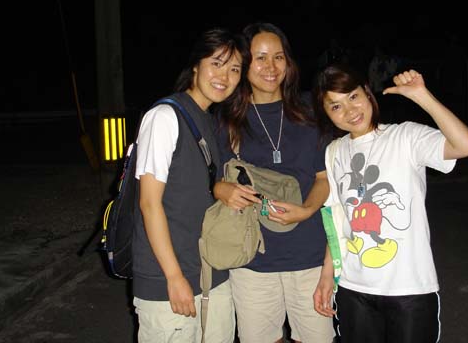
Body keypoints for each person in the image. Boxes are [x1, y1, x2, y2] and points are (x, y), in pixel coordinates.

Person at [311, 63, 468, 343]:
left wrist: (422, 96)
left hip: (409, 289)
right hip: (354, 288)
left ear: (367, 93)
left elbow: (466, 145)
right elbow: (338, 218)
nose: (350, 111)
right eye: (336, 106)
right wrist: (327, 274)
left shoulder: (406, 137)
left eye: (353, 97)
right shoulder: (334, 152)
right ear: (326, 114)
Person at [213, 22, 335, 343]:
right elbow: (211, 177)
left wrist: (307, 210)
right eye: (260, 58)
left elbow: (324, 177)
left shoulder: (311, 110)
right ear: (244, 64)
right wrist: (219, 188)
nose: (271, 67)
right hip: (252, 258)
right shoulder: (228, 119)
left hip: (309, 256)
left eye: (278, 57)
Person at [131, 27, 249, 343]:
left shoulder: (209, 121)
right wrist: (173, 277)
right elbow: (149, 203)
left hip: (212, 272)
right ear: (196, 66)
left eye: (234, 69)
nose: (225, 76)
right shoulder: (164, 116)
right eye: (216, 63)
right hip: (169, 279)